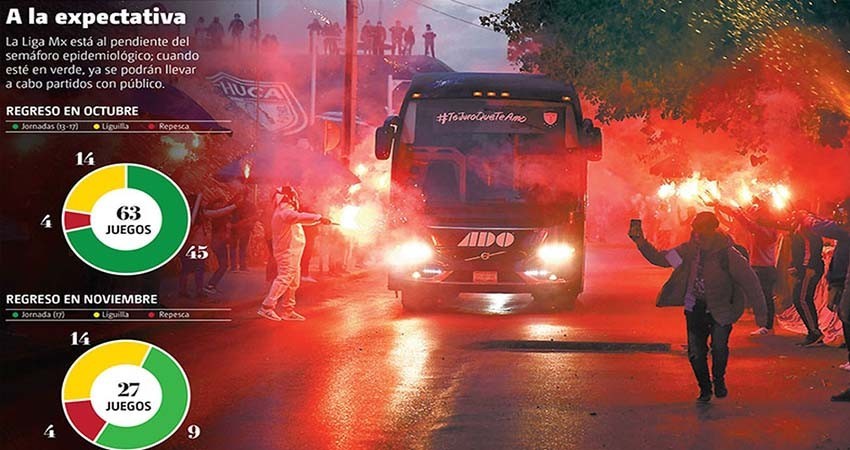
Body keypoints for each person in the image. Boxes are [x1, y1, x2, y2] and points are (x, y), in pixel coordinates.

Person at [631, 212, 767, 402]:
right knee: (696, 353)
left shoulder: (728, 255)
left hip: (721, 310)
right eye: (695, 232)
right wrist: (641, 243)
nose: (698, 236)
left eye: (702, 232)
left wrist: (762, 316)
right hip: (694, 307)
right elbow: (662, 260)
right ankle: (705, 389)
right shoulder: (689, 251)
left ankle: (718, 379)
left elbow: (751, 283)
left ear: (712, 231)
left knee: (719, 348)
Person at [258, 186, 330, 321]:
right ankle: (267, 307)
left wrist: (318, 221)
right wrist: (319, 217)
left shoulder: (285, 212)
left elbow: (299, 220)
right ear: (290, 198)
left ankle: (287, 310)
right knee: (284, 278)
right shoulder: (284, 212)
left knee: (293, 282)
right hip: (287, 252)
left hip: (292, 252)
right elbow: (298, 217)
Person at [797, 199, 850, 367]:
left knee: (846, 314)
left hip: (844, 278)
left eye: (844, 211)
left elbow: (825, 227)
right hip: (841, 278)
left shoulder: (845, 229)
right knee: (844, 314)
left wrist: (807, 218)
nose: (842, 214)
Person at [714, 201, 778, 335]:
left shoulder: (766, 232)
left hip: (764, 269)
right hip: (764, 268)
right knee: (764, 296)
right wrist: (723, 206)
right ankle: (766, 325)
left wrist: (738, 213)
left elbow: (749, 224)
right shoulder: (767, 230)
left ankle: (766, 326)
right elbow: (749, 220)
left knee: (764, 297)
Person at [789, 214, 826, 347]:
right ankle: (813, 332)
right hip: (805, 268)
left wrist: (809, 267)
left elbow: (815, 247)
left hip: (809, 269)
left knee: (802, 299)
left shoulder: (807, 227)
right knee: (800, 299)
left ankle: (815, 333)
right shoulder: (798, 227)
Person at [204, 197, 237, 296]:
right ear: (216, 204)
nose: (222, 205)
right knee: (224, 265)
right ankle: (210, 285)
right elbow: (226, 209)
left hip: (219, 243)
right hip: (218, 243)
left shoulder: (220, 216)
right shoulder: (218, 216)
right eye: (220, 203)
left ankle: (211, 285)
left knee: (224, 265)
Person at [229, 184, 257, 272]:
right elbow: (228, 210)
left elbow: (254, 216)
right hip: (235, 228)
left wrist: (250, 225)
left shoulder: (249, 205)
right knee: (236, 247)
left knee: (242, 247)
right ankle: (236, 266)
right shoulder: (234, 203)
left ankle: (241, 265)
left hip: (244, 228)